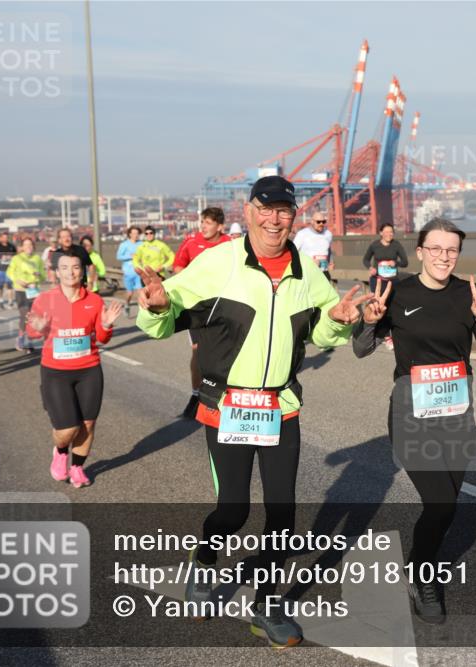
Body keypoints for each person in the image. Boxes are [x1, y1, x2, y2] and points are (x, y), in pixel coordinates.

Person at [136, 175, 371, 648]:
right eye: (266, 208)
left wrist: (338, 321)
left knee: (283, 517)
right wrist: (158, 306)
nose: (274, 219)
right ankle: (205, 561)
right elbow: (162, 316)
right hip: (227, 407)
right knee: (232, 510)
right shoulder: (217, 262)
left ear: (293, 217)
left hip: (280, 407)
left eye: (284, 210)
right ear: (248, 212)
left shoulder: (306, 271)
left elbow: (321, 332)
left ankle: (266, 606)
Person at [353, 218, 476, 624]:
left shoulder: (469, 295)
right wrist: (368, 322)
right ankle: (423, 578)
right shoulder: (397, 293)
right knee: (439, 504)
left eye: (452, 250)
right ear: (420, 252)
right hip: (411, 416)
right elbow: (360, 349)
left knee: (447, 508)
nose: (444, 256)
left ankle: (419, 562)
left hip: (458, 418)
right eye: (435, 248)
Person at [26, 253, 122, 488]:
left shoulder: (94, 300)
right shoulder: (44, 300)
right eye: (65, 267)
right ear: (57, 272)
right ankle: (60, 452)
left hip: (88, 370)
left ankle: (78, 467)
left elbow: (102, 338)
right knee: (68, 428)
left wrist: (106, 325)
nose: (71, 272)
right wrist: (38, 328)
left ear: (82, 271)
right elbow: (32, 333)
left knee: (88, 424)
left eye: (76, 267)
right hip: (56, 371)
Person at [173, 206, 229, 418]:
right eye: (202, 222)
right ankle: (196, 395)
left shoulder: (230, 245)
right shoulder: (191, 242)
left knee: (224, 350)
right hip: (196, 306)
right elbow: (177, 267)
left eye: (208, 223)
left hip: (222, 305)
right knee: (197, 349)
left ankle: (224, 393)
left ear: (220, 226)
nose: (203, 226)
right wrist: (194, 279)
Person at [7, 237, 47, 353]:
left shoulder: (37, 259)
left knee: (33, 316)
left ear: (33, 246)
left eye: (30, 244)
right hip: (21, 290)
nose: (28, 247)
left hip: (34, 291)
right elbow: (9, 272)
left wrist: (39, 276)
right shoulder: (16, 258)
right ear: (22, 247)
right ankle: (20, 338)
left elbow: (43, 276)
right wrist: (18, 280)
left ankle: (29, 339)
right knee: (24, 314)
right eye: (26, 245)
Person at [362, 222, 409, 292]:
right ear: (381, 233)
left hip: (392, 281)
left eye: (391, 232)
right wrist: (371, 268)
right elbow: (365, 260)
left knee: (393, 299)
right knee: (378, 299)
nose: (389, 234)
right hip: (377, 280)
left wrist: (395, 263)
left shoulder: (396, 245)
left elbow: (405, 262)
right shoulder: (374, 245)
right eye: (386, 232)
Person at [293, 211, 334, 281]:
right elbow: (293, 252)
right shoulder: (302, 234)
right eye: (318, 222)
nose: (321, 224)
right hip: (307, 272)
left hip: (324, 272)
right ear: (312, 222)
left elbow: (329, 249)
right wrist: (309, 262)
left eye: (323, 222)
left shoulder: (328, 234)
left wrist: (331, 262)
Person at [116, 227, 143, 315]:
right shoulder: (124, 244)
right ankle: (127, 304)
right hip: (128, 273)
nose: (136, 235)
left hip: (139, 272)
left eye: (137, 233)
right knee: (130, 293)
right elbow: (118, 256)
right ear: (130, 234)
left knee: (140, 292)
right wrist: (130, 256)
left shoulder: (141, 244)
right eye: (134, 233)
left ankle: (143, 311)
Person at [0, 231, 18, 309]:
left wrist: (11, 258)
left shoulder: (11, 247)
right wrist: (1, 258)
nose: (5, 239)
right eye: (4, 237)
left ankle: (10, 301)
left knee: (10, 285)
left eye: (6, 237)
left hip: (10, 269)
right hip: (0, 269)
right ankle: (1, 300)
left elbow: (16, 257)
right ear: (0, 238)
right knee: (1, 286)